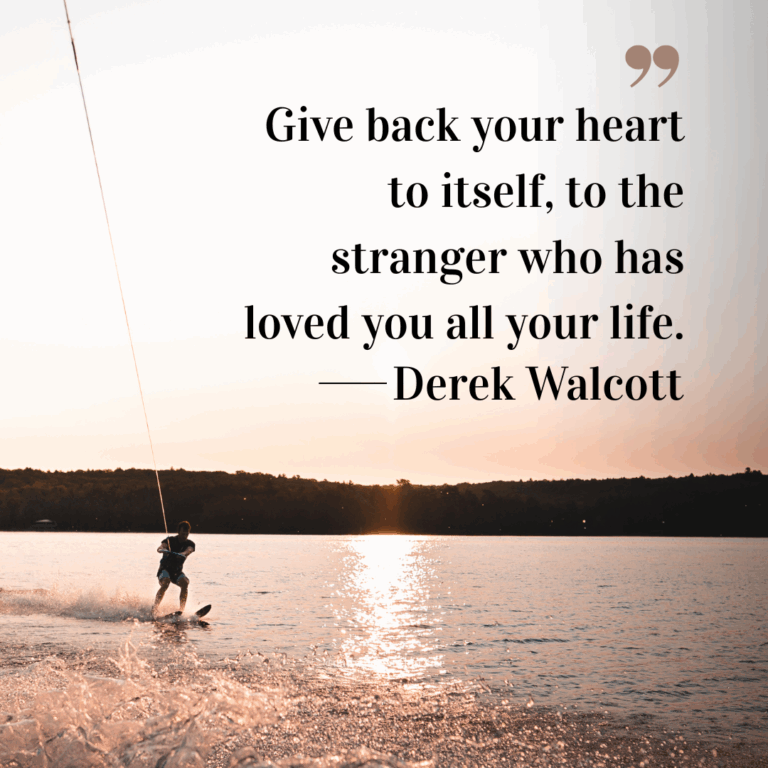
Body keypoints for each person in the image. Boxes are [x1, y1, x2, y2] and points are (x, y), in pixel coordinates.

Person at [153, 520, 195, 614]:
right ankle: (154, 608)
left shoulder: (190, 544)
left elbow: (189, 550)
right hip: (164, 570)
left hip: (176, 572)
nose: (185, 535)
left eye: (187, 533)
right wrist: (162, 549)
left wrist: (183, 554)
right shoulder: (170, 540)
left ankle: (181, 611)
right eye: (183, 532)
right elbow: (160, 547)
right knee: (166, 583)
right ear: (178, 532)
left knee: (185, 583)